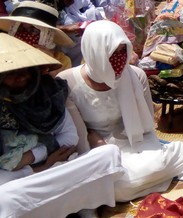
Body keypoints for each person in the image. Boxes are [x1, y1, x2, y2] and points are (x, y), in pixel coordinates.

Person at [58, 21, 183, 201]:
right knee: (117, 186)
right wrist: (99, 146)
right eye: (113, 52)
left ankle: (161, 165)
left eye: (123, 51)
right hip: (97, 150)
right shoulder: (67, 82)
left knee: (170, 160)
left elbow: (147, 125)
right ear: (94, 51)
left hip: (136, 141)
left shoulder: (136, 75)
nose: (120, 58)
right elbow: (80, 138)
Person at [0, 33, 124, 217]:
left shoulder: (48, 93)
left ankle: (78, 205)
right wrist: (40, 165)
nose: (20, 78)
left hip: (57, 167)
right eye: (10, 74)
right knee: (5, 198)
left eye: (24, 71)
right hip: (21, 180)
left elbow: (69, 137)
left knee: (108, 154)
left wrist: (38, 155)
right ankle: (77, 203)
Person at [0, 0, 74, 75]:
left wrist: (49, 64)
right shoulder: (2, 54)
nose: (25, 35)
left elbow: (60, 84)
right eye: (20, 29)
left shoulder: (62, 61)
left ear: (47, 35)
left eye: (33, 30)